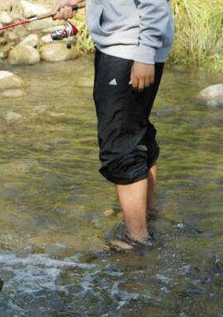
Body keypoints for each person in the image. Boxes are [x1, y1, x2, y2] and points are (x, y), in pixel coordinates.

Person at [53, 0, 174, 250]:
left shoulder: (138, 51)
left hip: (130, 51)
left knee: (120, 144)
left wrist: (145, 53)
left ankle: (136, 240)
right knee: (136, 134)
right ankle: (147, 218)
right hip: (124, 48)